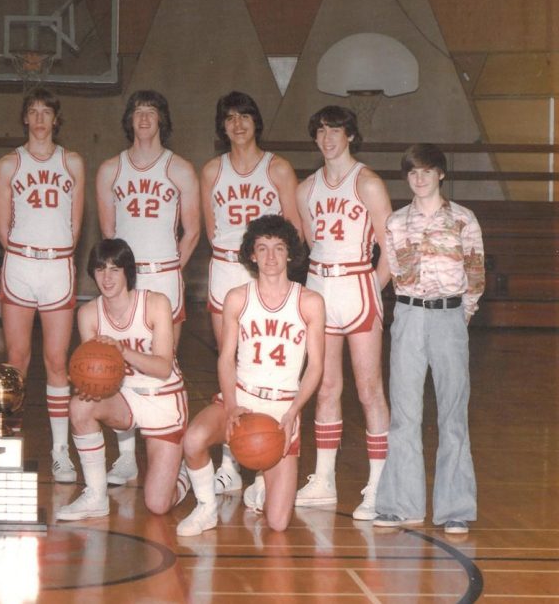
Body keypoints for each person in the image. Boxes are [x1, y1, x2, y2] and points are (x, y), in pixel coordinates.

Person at [176, 215, 324, 536]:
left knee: (278, 523)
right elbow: (226, 359)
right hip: (242, 396)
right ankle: (206, 509)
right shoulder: (238, 298)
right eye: (262, 248)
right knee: (193, 439)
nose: (271, 257)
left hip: (281, 408)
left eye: (279, 248)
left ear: (290, 254)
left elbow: (316, 367)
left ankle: (259, 484)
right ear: (251, 255)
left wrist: (294, 412)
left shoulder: (310, 302)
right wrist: (230, 406)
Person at [374, 144, 484, 535]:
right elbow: (389, 269)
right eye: (412, 173)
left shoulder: (464, 220)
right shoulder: (395, 222)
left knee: (453, 414)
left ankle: (455, 507)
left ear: (440, 173)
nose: (419, 179)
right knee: (404, 414)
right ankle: (401, 503)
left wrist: (456, 318)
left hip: (450, 316)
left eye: (426, 171)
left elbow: (475, 275)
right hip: (407, 316)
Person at [95, 90, 201, 486]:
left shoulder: (180, 169)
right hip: (124, 276)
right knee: (119, 363)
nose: (144, 118)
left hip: (164, 274)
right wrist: (121, 277)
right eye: (138, 111)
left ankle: (177, 449)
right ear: (129, 119)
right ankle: (126, 457)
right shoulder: (110, 169)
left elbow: (191, 231)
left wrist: (172, 268)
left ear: (162, 120)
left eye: (151, 112)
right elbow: (108, 233)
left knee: (164, 364)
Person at [200, 91, 302, 502]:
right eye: (229, 118)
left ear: (256, 122)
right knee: (231, 361)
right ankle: (230, 463)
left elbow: (292, 231)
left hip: (265, 268)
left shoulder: (277, 168)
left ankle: (262, 465)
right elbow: (212, 230)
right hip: (226, 267)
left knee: (263, 364)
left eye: (245, 116)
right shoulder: (211, 171)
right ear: (222, 127)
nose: (237, 124)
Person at [294, 106, 392, 520]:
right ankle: (324, 479)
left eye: (335, 130)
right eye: (320, 130)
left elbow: (390, 249)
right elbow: (308, 242)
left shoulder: (368, 183)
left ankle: (379, 485)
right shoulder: (305, 190)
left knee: (369, 388)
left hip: (357, 284)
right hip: (320, 285)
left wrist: (373, 287)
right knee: (326, 386)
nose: (327, 137)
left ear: (350, 135)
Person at [56, 239, 189, 520]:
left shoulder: (155, 303)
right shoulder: (88, 313)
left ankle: (182, 474)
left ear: (128, 272)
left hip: (162, 399)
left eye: (115, 269)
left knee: (157, 504)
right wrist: (85, 379)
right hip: (125, 396)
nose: (107, 277)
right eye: (101, 269)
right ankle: (95, 495)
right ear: (92, 273)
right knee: (80, 405)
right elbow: (98, 376)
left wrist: (122, 350)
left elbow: (164, 368)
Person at [0, 88, 85, 483]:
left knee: (57, 361)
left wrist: (60, 254)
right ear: (25, 119)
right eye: (33, 112)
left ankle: (61, 450)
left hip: (57, 266)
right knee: (17, 358)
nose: (40, 119)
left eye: (46, 112)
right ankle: (8, 440)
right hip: (20, 263)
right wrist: (20, 254)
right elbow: (1, 225)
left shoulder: (73, 163)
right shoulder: (9, 163)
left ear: (56, 119)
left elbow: (76, 225)